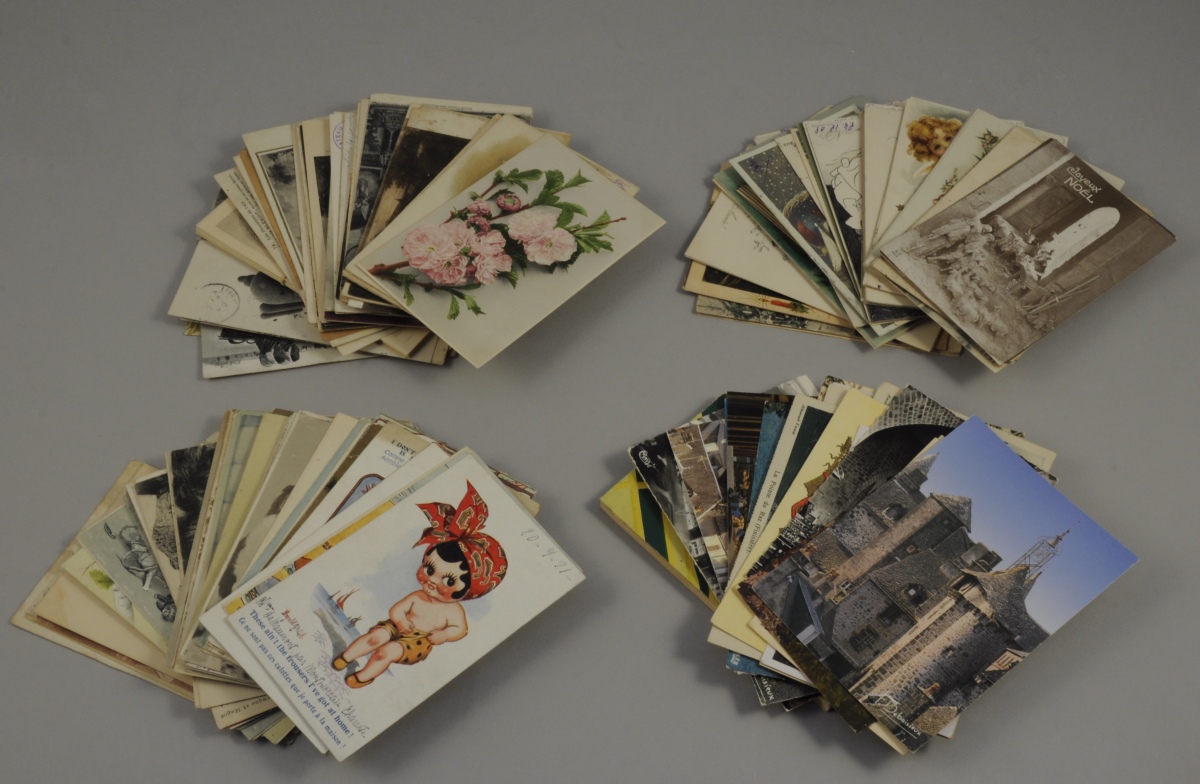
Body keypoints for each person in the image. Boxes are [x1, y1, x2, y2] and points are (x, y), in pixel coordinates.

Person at [331, 482, 508, 688]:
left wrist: (444, 635)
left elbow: (460, 630)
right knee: (375, 638)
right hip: (398, 625)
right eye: (429, 569)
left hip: (419, 640)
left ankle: (363, 677)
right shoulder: (417, 596)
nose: (432, 581)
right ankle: (346, 656)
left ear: (470, 590)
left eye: (449, 581)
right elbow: (397, 610)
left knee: (384, 652)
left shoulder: (454, 611)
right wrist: (400, 620)